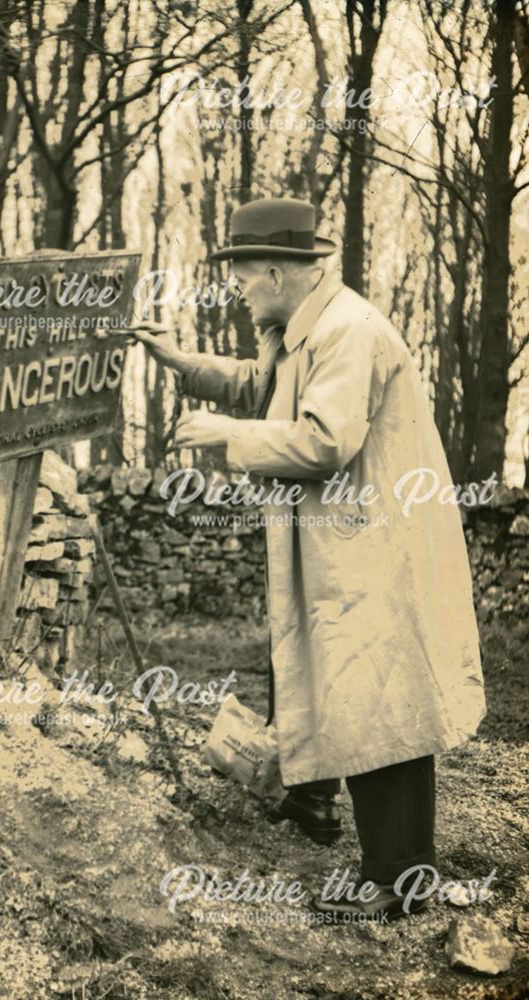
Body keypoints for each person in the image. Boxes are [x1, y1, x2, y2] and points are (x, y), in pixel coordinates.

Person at [129, 196, 486, 922]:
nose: (234, 287)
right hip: (342, 544)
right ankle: (311, 800)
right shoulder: (306, 326)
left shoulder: (348, 332)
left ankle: (397, 878)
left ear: (274, 270)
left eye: (240, 273)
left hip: (374, 547)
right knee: (331, 672)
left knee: (382, 696)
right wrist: (182, 364)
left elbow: (324, 439)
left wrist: (225, 435)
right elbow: (268, 389)